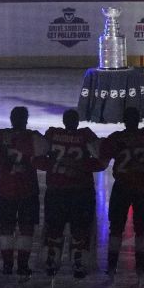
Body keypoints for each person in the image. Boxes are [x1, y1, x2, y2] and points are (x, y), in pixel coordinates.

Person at [101, 106, 144, 276]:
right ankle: (140, 265)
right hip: (143, 188)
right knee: (142, 229)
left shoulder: (116, 138)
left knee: (115, 228)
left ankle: (111, 265)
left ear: (124, 120)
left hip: (122, 186)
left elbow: (100, 155)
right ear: (139, 120)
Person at [37, 109, 101, 278]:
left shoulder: (52, 134)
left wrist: (56, 166)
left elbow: (37, 158)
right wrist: (81, 166)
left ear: (64, 121)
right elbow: (101, 159)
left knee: (53, 230)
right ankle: (79, 264)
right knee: (80, 230)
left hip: (56, 191)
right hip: (81, 192)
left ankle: (50, 262)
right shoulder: (86, 135)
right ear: (77, 122)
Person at [0, 106, 47, 278]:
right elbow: (45, 151)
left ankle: (7, 265)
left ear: (11, 119)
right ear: (26, 120)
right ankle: (22, 265)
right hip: (27, 188)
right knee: (26, 228)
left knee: (6, 228)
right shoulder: (34, 137)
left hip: (5, 188)